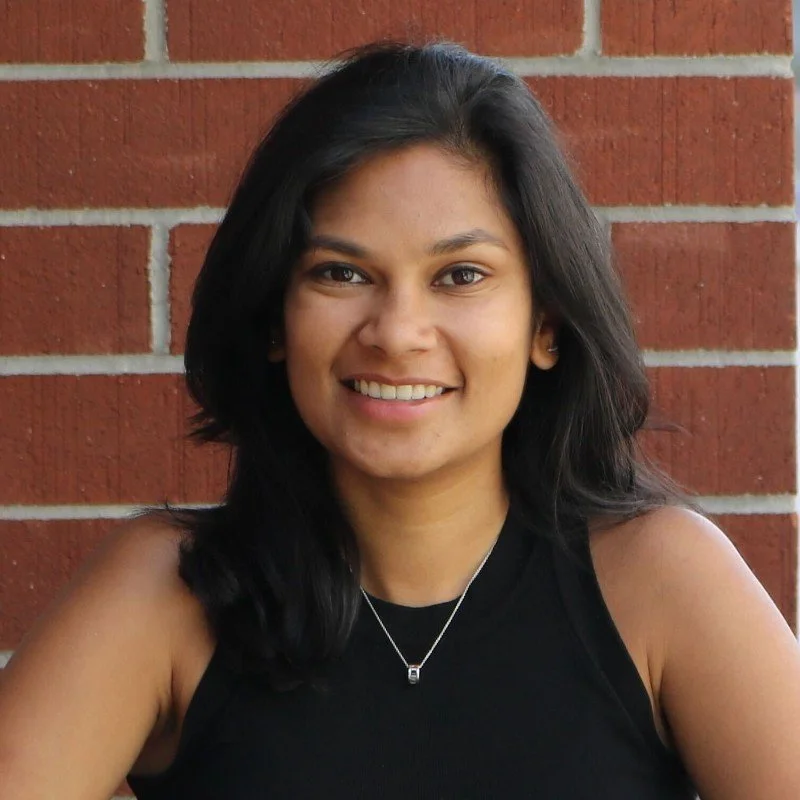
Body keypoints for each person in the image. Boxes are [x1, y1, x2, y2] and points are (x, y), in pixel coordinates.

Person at [1, 40, 799, 800]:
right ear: (276, 320)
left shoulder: (660, 582)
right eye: (341, 272)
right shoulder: (168, 595)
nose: (396, 331)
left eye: (460, 275)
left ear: (546, 325)